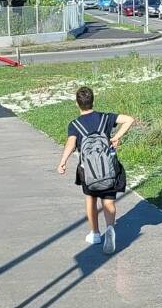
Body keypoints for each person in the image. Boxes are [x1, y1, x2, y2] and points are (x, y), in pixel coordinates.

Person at [57, 86, 134, 254]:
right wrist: (115, 137)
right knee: (108, 201)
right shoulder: (106, 118)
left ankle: (95, 233)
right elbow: (129, 120)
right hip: (109, 168)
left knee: (91, 199)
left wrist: (63, 161)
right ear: (93, 101)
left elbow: (71, 143)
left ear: (77, 104)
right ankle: (110, 228)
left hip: (88, 171)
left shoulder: (75, 125)